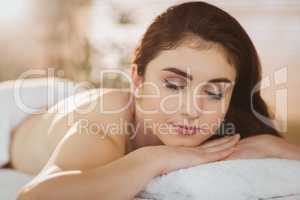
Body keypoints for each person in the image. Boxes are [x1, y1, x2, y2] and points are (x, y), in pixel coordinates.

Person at [16, 1, 300, 200]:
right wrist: (155, 158)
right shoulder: (109, 117)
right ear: (138, 80)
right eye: (174, 86)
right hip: (18, 115)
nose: (192, 110)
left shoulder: (226, 125)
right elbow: (37, 196)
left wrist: (270, 144)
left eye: (214, 92)